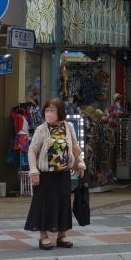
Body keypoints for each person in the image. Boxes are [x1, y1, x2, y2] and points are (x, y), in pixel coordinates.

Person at [24, 97, 85, 250]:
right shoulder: (41, 129)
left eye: (52, 110)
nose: (48, 113)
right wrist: (34, 171)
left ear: (60, 112)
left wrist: (80, 164)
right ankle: (43, 236)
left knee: (63, 203)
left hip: (63, 173)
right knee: (43, 204)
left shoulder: (68, 127)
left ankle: (62, 234)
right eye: (47, 110)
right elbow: (32, 150)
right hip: (45, 174)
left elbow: (75, 147)